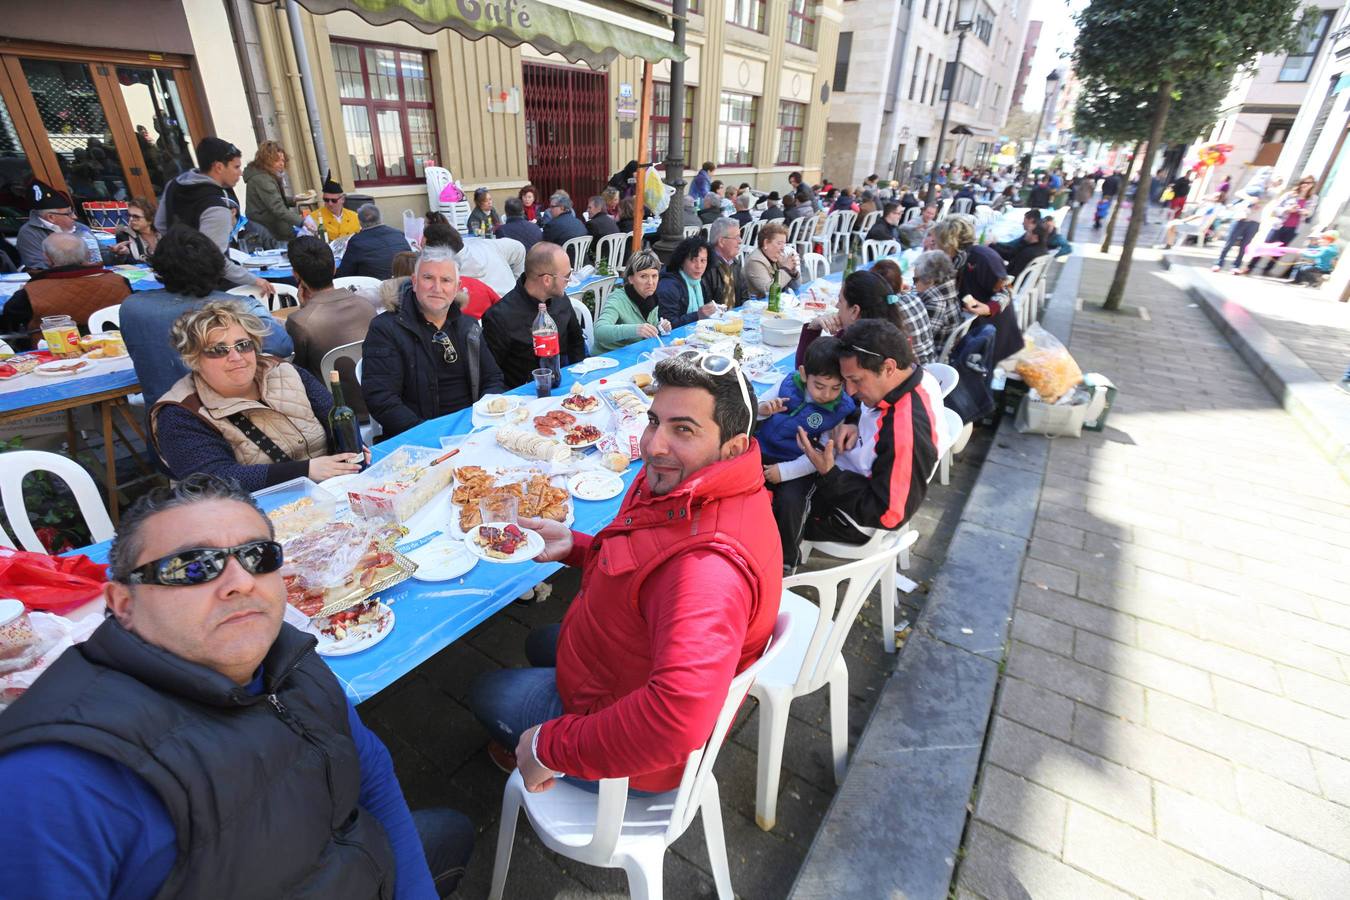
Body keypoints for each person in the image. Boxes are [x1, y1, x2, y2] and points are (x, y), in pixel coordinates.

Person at [0, 474, 473, 899]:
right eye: (192, 565)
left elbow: (371, 770)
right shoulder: (53, 784)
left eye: (257, 555)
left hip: (356, 866)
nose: (240, 581)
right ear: (122, 603)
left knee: (452, 828)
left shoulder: (289, 658)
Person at [466, 353, 782, 793]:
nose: (654, 445)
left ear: (731, 446)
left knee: (485, 689)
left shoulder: (708, 572)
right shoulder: (702, 485)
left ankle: (520, 749)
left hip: (641, 758)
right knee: (540, 641)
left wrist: (547, 748)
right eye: (655, 421)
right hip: (625, 657)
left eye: (683, 430)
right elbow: (645, 557)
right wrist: (577, 547)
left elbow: (676, 721)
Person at [770, 318, 939, 568]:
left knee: (773, 504)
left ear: (889, 367)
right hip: (845, 477)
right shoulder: (909, 378)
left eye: (856, 380)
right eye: (846, 380)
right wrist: (854, 421)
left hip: (852, 519)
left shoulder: (905, 428)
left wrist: (829, 473)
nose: (849, 391)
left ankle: (780, 572)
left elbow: (889, 514)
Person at [150, 302, 361, 489]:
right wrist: (304, 471)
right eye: (218, 350)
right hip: (250, 512)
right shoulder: (180, 414)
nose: (235, 357)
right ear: (193, 358)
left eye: (243, 345)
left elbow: (334, 417)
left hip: (330, 490)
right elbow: (212, 481)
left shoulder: (284, 371)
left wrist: (352, 449)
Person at [121, 227, 292, 409]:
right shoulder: (239, 307)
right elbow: (283, 346)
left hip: (162, 419)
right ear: (216, 265)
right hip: (229, 422)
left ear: (159, 266)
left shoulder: (131, 308)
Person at [362, 246, 505, 437]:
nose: (437, 288)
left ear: (456, 287)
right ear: (414, 282)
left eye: (446, 280)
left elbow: (493, 378)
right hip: (417, 436)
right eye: (428, 278)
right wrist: (429, 433)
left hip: (472, 429)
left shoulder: (467, 326)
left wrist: (484, 418)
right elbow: (381, 399)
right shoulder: (386, 329)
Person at [757, 337, 857, 560]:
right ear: (803, 374)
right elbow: (755, 407)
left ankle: (787, 558)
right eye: (819, 386)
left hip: (800, 465)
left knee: (790, 503)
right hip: (763, 448)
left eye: (836, 388)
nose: (826, 394)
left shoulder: (837, 411)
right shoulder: (788, 383)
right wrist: (763, 410)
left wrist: (784, 472)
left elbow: (819, 456)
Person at [157, 137, 274, 296]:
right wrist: (254, 280)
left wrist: (178, 252)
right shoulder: (216, 208)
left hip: (173, 281)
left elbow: (161, 224)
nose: (240, 173)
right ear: (218, 167)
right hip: (206, 290)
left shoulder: (174, 185)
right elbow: (216, 261)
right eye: (236, 167)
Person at [283, 235, 379, 417]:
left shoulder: (300, 322)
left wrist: (304, 308)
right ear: (334, 268)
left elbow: (299, 373)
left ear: (295, 274)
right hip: (377, 404)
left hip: (335, 413)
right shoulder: (366, 305)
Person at [481, 242, 587, 389]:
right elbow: (491, 374)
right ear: (547, 280)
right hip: (522, 395)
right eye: (567, 276)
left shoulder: (560, 298)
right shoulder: (500, 316)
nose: (569, 281)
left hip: (563, 384)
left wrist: (581, 381)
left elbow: (576, 343)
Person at [0, 232, 131, 337]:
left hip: (52, 357)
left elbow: (9, 323)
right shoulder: (118, 281)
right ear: (87, 255)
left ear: (47, 258)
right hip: (116, 346)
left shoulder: (30, 292)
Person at [935, 215, 1022, 363]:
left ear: (949, 242)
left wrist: (989, 308)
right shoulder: (955, 258)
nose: (937, 245)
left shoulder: (982, 257)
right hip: (971, 322)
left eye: (939, 242)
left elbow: (1006, 289)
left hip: (992, 326)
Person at [793, 266, 916, 368]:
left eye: (840, 301)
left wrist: (812, 330)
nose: (836, 305)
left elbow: (806, 373)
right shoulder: (892, 335)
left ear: (855, 310)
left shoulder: (855, 349)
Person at [16, 179, 105, 271]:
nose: (75, 217)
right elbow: (37, 266)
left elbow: (101, 254)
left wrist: (116, 253)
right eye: (69, 214)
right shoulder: (30, 233)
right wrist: (79, 268)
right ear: (51, 217)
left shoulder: (81, 227)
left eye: (73, 212)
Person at [593, 249, 669, 352]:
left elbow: (648, 330)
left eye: (654, 276)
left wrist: (660, 328)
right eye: (643, 276)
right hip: (608, 357)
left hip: (636, 353)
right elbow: (599, 331)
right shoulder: (617, 299)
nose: (650, 282)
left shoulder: (652, 298)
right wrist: (636, 329)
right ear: (631, 279)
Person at [1247, 175, 1319, 276]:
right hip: (1279, 225)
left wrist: (1303, 211)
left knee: (1281, 249)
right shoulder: (1290, 194)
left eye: (1309, 183)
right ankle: (1250, 266)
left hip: (1294, 228)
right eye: (1304, 182)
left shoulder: (1313, 198)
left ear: (1312, 185)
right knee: (1265, 245)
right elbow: (1275, 208)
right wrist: (1287, 209)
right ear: (1300, 183)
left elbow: (1310, 212)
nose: (1305, 185)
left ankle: (1267, 269)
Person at [871, 260, 936, 364]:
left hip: (913, 370)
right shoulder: (915, 299)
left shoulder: (881, 313)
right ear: (901, 282)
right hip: (931, 363)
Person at [1214, 175, 1282, 273]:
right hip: (1241, 218)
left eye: (1278, 182)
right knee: (1229, 243)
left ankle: (1236, 266)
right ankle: (1218, 263)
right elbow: (1239, 193)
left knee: (1244, 246)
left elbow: (1276, 197)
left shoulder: (1271, 193)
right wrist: (1250, 198)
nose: (1276, 183)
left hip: (1255, 221)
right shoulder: (1255, 188)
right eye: (1275, 181)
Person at [242, 141, 304, 242]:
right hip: (270, 232)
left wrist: (293, 199)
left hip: (268, 229)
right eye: (277, 160)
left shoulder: (263, 176)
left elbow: (270, 199)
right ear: (266, 160)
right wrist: (302, 222)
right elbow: (277, 207)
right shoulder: (262, 179)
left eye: (283, 161)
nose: (281, 164)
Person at [908, 249, 963, 356]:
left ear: (929, 280)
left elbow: (920, 341)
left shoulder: (936, 303)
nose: (914, 285)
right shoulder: (948, 287)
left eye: (915, 280)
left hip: (935, 353)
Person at [655, 235, 718, 327]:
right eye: (693, 260)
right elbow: (668, 325)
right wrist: (698, 315)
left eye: (703, 260)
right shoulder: (669, 286)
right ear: (681, 261)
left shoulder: (700, 281)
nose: (699, 266)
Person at [336, 204, 409, 281]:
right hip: (404, 284)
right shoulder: (398, 233)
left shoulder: (356, 242)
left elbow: (344, 274)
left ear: (360, 222)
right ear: (380, 218)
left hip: (376, 287)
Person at [743, 221, 800, 297]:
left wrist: (793, 272)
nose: (783, 248)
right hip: (755, 305)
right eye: (779, 243)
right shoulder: (755, 261)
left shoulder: (777, 257)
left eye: (784, 243)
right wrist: (786, 269)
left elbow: (796, 287)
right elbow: (768, 290)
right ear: (766, 243)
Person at [704, 218, 748, 308]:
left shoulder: (735, 263)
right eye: (736, 237)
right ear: (721, 242)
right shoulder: (706, 265)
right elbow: (707, 305)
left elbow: (744, 296)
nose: (740, 241)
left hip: (735, 318)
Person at [315, 171, 362, 241]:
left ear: (342, 199)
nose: (330, 203)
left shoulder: (355, 216)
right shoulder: (312, 218)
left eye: (334, 200)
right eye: (326, 200)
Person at [113, 195, 160, 261]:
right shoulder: (124, 235)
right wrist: (125, 254)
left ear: (150, 219)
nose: (131, 219)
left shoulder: (162, 233)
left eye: (136, 216)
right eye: (129, 215)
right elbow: (128, 265)